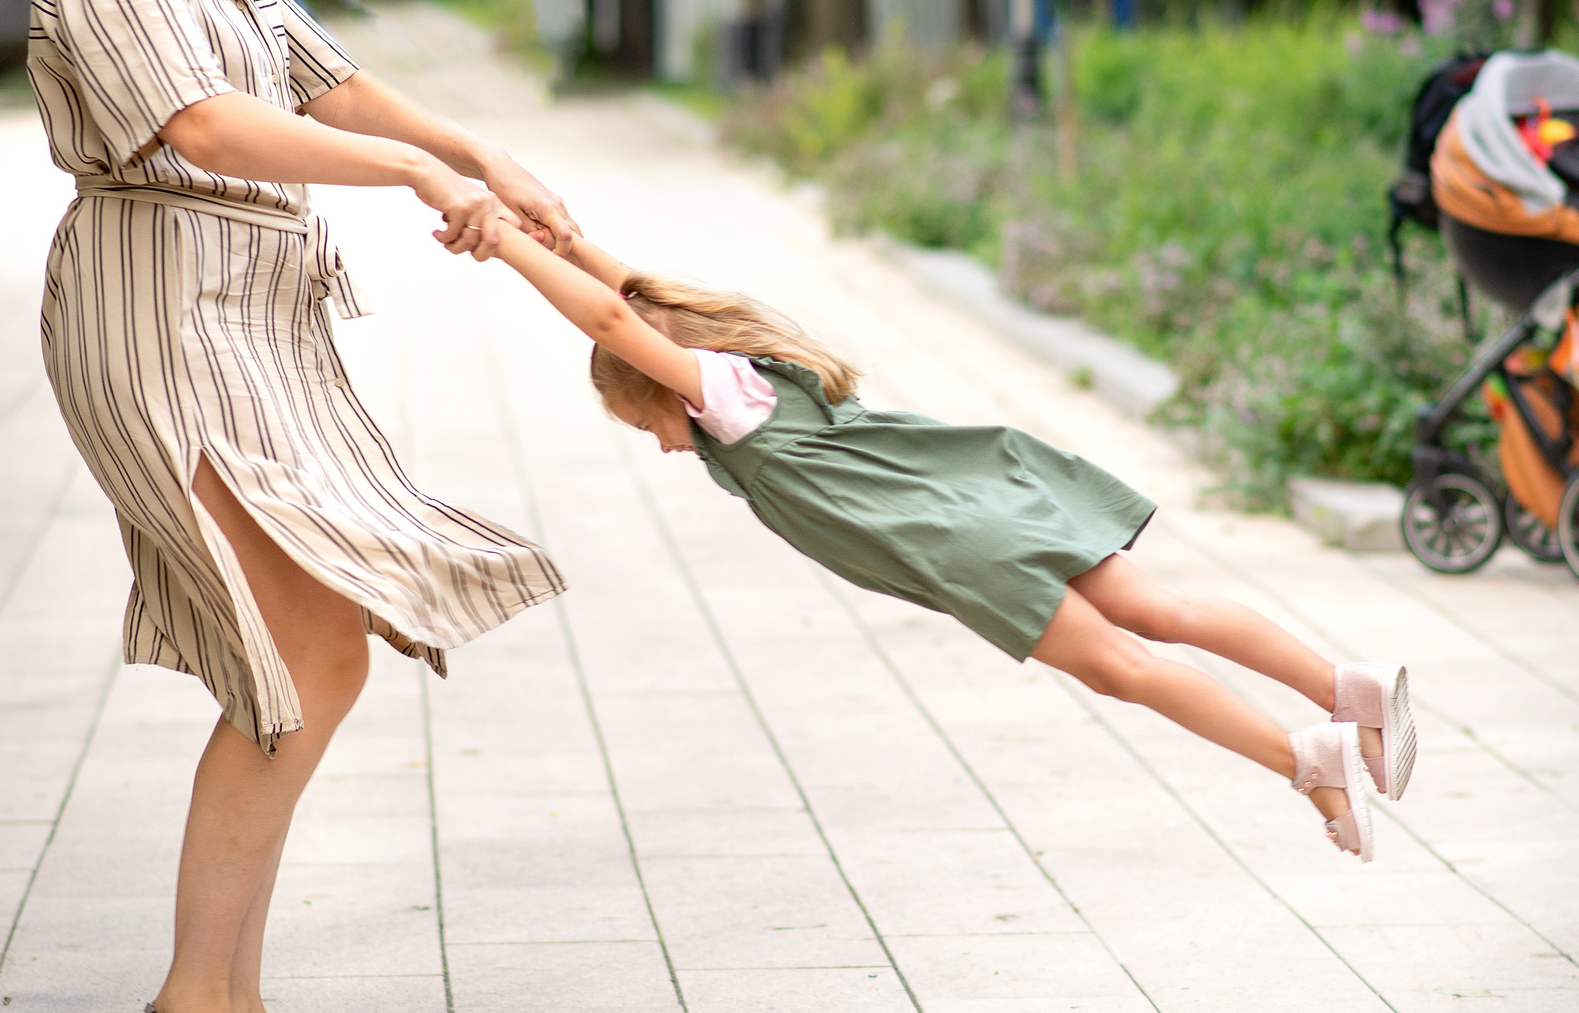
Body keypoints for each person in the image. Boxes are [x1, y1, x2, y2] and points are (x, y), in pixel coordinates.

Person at [0, 0, 574, 1013]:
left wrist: (476, 150)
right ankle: (188, 1003)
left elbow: (318, 76)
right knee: (290, 655)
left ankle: (222, 995)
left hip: (246, 311)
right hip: (159, 313)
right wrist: (415, 172)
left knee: (321, 652)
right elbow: (209, 127)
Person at [477, 223, 1416, 860]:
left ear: (661, 389)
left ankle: (1309, 764)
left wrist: (511, 246)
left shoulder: (718, 401)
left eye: (645, 424)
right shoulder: (750, 371)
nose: (661, 442)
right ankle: (1348, 689)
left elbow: (612, 319)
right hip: (978, 493)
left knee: (1122, 666)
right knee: (1160, 610)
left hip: (956, 536)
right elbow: (632, 301)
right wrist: (565, 237)